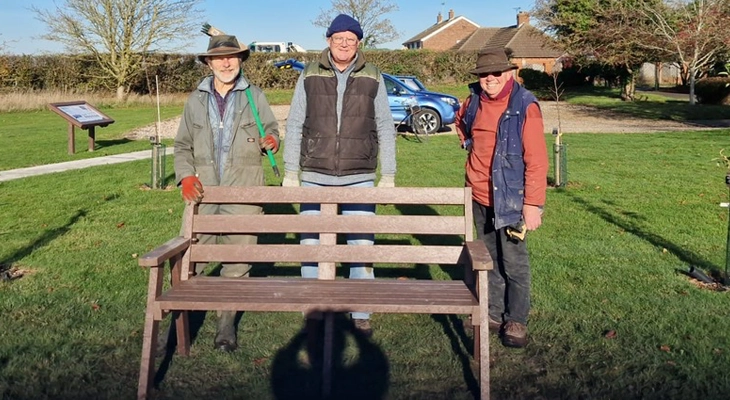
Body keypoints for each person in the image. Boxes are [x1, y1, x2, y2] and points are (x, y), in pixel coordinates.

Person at [281, 14, 397, 337]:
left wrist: (387, 174)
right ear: (328, 40)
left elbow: (385, 125)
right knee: (311, 243)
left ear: (358, 43)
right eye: (339, 38)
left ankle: (360, 311)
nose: (345, 44)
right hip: (315, 173)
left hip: (358, 174)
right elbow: (294, 123)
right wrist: (291, 171)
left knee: (360, 245)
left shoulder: (373, 75)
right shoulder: (309, 73)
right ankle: (316, 307)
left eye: (351, 39)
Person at [173, 34, 280, 352]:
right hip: (201, 192)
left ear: (240, 60)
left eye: (232, 56)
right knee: (190, 257)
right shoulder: (195, 100)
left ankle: (225, 325)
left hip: (244, 191)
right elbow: (182, 146)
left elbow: (271, 129)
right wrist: (186, 176)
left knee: (237, 260)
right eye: (220, 57)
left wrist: (272, 140)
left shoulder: (255, 96)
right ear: (209, 63)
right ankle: (183, 320)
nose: (226, 62)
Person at [455, 47, 548, 348]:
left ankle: (516, 319)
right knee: (488, 258)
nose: (490, 79)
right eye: (484, 74)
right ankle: (493, 313)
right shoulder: (473, 102)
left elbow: (537, 159)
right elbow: (461, 123)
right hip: (479, 195)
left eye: (496, 73)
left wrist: (532, 204)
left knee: (514, 262)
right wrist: (466, 140)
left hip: (511, 200)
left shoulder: (525, 106)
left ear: (508, 73)